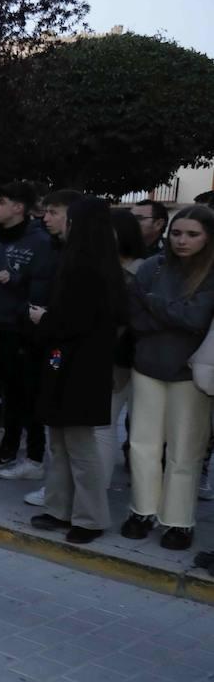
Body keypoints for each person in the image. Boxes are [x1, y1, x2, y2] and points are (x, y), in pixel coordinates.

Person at [27, 197, 126, 543]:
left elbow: (74, 320)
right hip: (67, 362)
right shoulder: (87, 263)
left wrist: (44, 319)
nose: (57, 222)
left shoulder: (87, 269)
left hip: (80, 367)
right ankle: (60, 509)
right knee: (61, 442)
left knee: (80, 447)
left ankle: (90, 518)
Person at [123, 205, 214, 551]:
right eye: (177, 233)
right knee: (141, 444)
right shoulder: (152, 266)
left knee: (184, 451)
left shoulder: (211, 272)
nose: (182, 240)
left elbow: (196, 319)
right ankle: (142, 511)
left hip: (191, 373)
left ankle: (178, 521)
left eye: (193, 234)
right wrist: (168, 313)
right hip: (147, 365)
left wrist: (152, 305)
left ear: (208, 237)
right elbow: (135, 317)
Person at [0, 181, 54, 480]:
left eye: (1, 201)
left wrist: (16, 280)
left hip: (21, 333)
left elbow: (45, 290)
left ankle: (18, 449)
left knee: (20, 394)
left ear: (19, 207)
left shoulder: (41, 243)